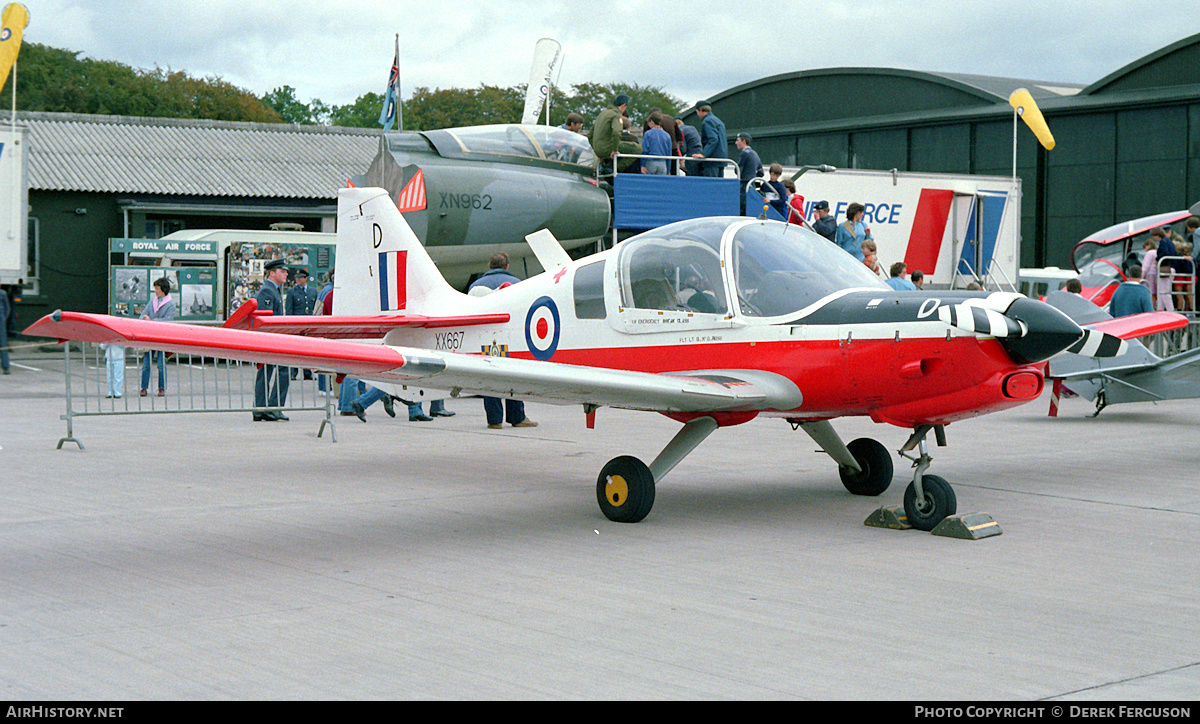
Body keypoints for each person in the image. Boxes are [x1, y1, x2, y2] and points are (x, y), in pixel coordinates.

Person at [468, 253, 537, 430]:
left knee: (490, 378)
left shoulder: (475, 286)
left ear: (489, 265)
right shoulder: (518, 284)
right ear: (507, 266)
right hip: (510, 338)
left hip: (485, 339)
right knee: (513, 376)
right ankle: (517, 417)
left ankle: (494, 420)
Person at [252, 258, 290, 421]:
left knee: (266, 373)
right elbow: (266, 318)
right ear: (272, 273)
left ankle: (261, 409)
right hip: (271, 339)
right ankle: (272, 407)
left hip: (271, 338)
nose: (286, 274)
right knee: (282, 371)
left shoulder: (272, 289)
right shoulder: (268, 291)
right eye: (283, 271)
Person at [139, 276, 176, 396]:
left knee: (161, 364)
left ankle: (161, 388)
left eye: (157, 288)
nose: (155, 290)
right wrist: (143, 320)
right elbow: (144, 313)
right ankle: (144, 387)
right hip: (149, 336)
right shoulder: (152, 301)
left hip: (162, 337)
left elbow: (168, 320)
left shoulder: (171, 304)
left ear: (163, 290)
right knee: (146, 365)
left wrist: (151, 320)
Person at [286, 268, 317, 380]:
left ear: (306, 278)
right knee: (295, 349)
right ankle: (293, 372)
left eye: (300, 278)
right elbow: (289, 309)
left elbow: (315, 308)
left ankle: (307, 372)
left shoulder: (313, 291)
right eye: (297, 278)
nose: (298, 280)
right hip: (297, 324)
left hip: (309, 324)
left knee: (308, 349)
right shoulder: (292, 292)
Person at [589, 94, 627, 175]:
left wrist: (597, 150)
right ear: (623, 105)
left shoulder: (602, 114)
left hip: (598, 151)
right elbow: (617, 133)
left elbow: (590, 135)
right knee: (637, 148)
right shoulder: (616, 115)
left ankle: (606, 165)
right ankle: (613, 167)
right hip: (607, 149)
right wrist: (615, 150)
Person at [692, 101, 727, 177]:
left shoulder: (707, 121)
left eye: (697, 112)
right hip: (721, 158)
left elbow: (713, 139)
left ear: (700, 110)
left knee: (711, 185)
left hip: (712, 160)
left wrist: (704, 154)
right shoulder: (718, 120)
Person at [734, 132, 763, 215]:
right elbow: (761, 173)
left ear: (743, 141)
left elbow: (738, 170)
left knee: (741, 210)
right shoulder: (755, 154)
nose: (736, 143)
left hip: (743, 186)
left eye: (737, 140)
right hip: (751, 186)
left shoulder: (744, 154)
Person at [0, 286, 8, 375]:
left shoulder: (2, 293)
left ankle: (6, 366)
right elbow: (7, 308)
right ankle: (6, 366)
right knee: (3, 343)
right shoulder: (3, 293)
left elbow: (6, 308)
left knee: (2, 343)